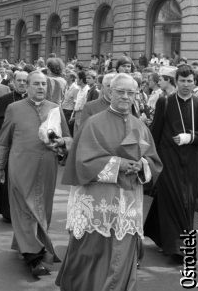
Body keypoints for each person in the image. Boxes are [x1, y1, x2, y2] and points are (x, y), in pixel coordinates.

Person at [56, 73, 162, 291]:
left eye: (130, 93)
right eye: (120, 92)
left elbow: (153, 161)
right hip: (99, 203)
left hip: (128, 203)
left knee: (123, 254)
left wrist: (141, 165)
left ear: (136, 95)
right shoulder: (93, 123)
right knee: (92, 253)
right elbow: (83, 163)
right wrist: (120, 164)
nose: (125, 96)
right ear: (109, 92)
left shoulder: (140, 126)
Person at [0, 71, 72, 276]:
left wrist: (63, 143)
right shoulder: (14, 108)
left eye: (44, 85)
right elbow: (3, 140)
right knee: (23, 208)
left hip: (47, 167)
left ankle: (24, 244)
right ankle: (34, 256)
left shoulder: (55, 109)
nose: (40, 88)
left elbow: (68, 138)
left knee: (42, 210)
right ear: (26, 87)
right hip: (20, 166)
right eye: (36, 84)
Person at [144, 64, 198, 262]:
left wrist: (190, 137)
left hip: (190, 160)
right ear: (176, 81)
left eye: (190, 81)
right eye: (182, 81)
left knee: (187, 202)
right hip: (168, 158)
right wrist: (151, 158)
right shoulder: (165, 101)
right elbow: (156, 130)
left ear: (195, 82)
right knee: (173, 199)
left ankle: (164, 237)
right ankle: (177, 248)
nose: (186, 85)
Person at [0, 71, 28, 222]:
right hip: (8, 143)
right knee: (5, 178)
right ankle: (8, 211)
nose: (22, 83)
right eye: (19, 80)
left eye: (25, 81)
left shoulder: (35, 100)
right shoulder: (5, 99)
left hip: (27, 147)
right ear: (13, 81)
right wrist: (13, 130)